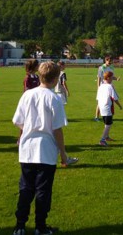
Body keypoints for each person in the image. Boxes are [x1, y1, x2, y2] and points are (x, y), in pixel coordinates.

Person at [12, 61, 78, 235]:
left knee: (25, 188)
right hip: (46, 152)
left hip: (27, 151)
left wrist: (29, 129)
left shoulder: (27, 95)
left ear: (40, 76)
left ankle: (20, 226)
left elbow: (18, 121)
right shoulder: (54, 98)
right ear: (56, 79)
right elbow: (57, 129)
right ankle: (40, 227)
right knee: (43, 191)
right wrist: (63, 154)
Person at [97, 71, 123, 147]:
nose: (113, 79)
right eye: (112, 77)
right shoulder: (110, 86)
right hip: (107, 107)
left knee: (106, 123)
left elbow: (98, 98)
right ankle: (102, 140)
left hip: (101, 106)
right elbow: (114, 98)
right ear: (108, 78)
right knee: (108, 124)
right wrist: (120, 105)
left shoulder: (101, 86)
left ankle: (107, 137)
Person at [94, 56, 120, 121]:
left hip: (109, 86)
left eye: (111, 61)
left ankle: (108, 116)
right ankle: (96, 117)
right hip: (102, 87)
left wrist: (116, 79)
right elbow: (99, 78)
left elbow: (111, 77)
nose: (110, 62)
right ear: (106, 60)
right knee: (100, 102)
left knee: (110, 101)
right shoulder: (101, 68)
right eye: (109, 61)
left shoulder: (111, 67)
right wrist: (98, 88)